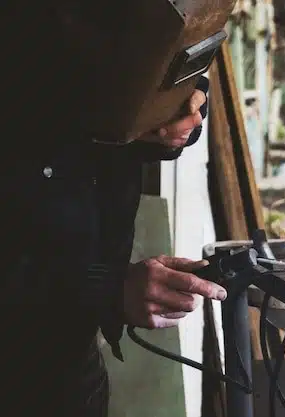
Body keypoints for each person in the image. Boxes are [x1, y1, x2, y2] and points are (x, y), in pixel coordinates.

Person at [1, 69, 226, 416]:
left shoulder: (85, 31)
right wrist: (107, 288)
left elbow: (86, 132)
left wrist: (180, 112)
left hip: (72, 357)